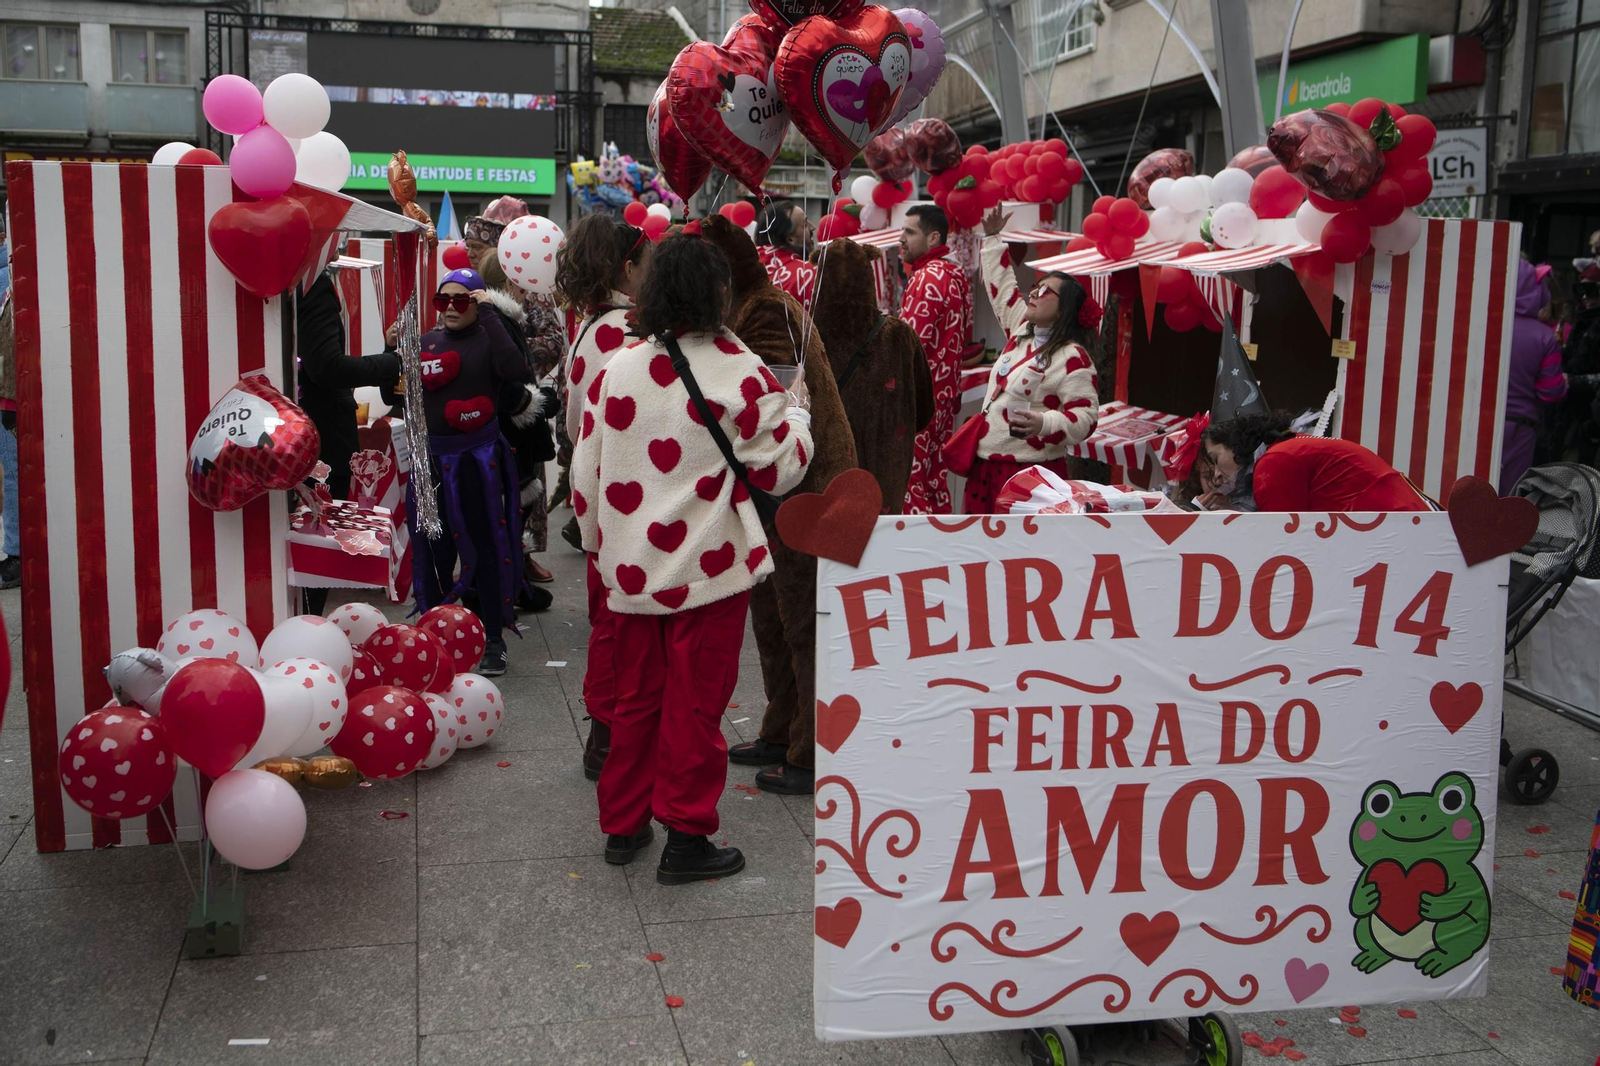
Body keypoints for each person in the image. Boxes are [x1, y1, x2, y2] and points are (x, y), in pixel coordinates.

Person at [571, 233, 814, 883]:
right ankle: (686, 835)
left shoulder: (619, 367)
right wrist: (802, 419)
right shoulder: (736, 367)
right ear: (716, 293)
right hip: (709, 566)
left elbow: (585, 470)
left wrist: (598, 547)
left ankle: (623, 827)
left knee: (636, 704)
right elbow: (783, 467)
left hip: (631, 568)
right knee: (695, 707)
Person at [697, 214, 857, 796]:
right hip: (778, 487)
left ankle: (810, 750)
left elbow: (769, 409)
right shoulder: (756, 303)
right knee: (773, 617)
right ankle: (781, 727)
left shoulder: (763, 310)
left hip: (801, 483)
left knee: (802, 621)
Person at [554, 214, 653, 781]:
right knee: (619, 625)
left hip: (599, 491)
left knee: (607, 619)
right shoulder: (629, 330)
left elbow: (573, 424)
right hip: (630, 493)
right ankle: (610, 736)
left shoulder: (591, 327)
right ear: (627, 267)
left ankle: (604, 733)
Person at [408, 268, 531, 675]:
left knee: (487, 547)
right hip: (433, 462)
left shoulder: (491, 336)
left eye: (462, 300)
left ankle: (494, 637)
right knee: (434, 546)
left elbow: (517, 371)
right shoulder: (426, 342)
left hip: (479, 462)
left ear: (478, 302)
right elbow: (401, 395)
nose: (450, 309)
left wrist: (492, 315)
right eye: (443, 301)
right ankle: (435, 632)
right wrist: (394, 345)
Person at [962, 205, 1100, 514]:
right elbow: (1001, 288)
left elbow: (1086, 419)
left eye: (1045, 291)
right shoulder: (1021, 327)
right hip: (983, 465)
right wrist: (994, 237)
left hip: (1033, 472)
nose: (1033, 293)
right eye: (1035, 287)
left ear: (1064, 309)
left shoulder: (1073, 357)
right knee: (976, 546)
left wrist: (1043, 422)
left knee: (1016, 553)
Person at [295, 270, 404, 613]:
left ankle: (307, 623)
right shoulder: (314, 284)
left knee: (314, 545)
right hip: (320, 441)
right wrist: (391, 361)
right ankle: (308, 625)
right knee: (316, 548)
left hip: (314, 437)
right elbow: (326, 367)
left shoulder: (305, 282)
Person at [810, 235, 933, 511]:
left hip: (820, 479)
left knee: (823, 548)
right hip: (883, 483)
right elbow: (923, 412)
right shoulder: (899, 335)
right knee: (880, 549)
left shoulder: (805, 336)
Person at [477, 251, 561, 596]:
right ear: (510, 281)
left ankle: (512, 582)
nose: (528, 293)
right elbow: (510, 377)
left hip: (512, 434)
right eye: (523, 286)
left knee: (513, 511)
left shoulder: (502, 316)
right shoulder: (496, 318)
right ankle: (504, 589)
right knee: (506, 512)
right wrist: (540, 401)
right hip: (510, 432)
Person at [899, 204, 973, 514]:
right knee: (933, 479)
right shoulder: (953, 275)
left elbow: (907, 346)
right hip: (942, 399)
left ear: (933, 238)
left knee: (911, 480)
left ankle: (916, 553)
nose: (901, 238)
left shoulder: (927, 278)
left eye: (909, 232)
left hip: (918, 400)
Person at [1203, 412, 1430, 512]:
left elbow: (1279, 540)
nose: (1216, 475)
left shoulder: (1275, 461)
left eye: (1215, 460)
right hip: (1401, 518)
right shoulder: (1287, 448)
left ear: (1236, 444)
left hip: (1394, 525)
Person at [1502, 259, 1569, 493]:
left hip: (1479, 423)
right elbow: (1550, 393)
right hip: (1521, 428)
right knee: (1508, 501)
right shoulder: (1545, 337)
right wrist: (1564, 384)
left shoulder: (1483, 326)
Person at [754, 200, 817, 311]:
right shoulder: (806, 273)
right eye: (805, 224)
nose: (813, 227)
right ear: (790, 238)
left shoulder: (742, 267)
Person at [0, 286, 16, 589]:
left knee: (13, 475)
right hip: (8, 395)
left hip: (12, 397)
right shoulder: (8, 279)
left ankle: (17, 551)